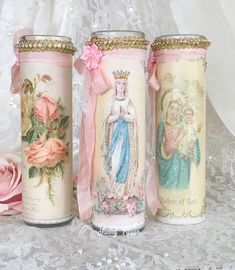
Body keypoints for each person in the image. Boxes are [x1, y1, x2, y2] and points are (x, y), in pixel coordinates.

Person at [103, 70, 138, 198]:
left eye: (124, 84)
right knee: (114, 161)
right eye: (119, 84)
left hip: (125, 139)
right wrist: (118, 116)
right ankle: (113, 189)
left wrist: (125, 116)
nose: (121, 86)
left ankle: (122, 191)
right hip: (114, 137)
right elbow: (107, 119)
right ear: (116, 85)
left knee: (123, 161)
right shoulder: (112, 102)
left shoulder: (129, 102)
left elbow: (133, 118)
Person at [157, 99, 199, 190]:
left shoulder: (182, 125)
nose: (173, 111)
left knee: (182, 185)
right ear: (167, 108)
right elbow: (159, 147)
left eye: (177, 109)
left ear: (179, 113)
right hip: (168, 161)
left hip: (183, 161)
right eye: (172, 108)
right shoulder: (162, 125)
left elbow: (191, 139)